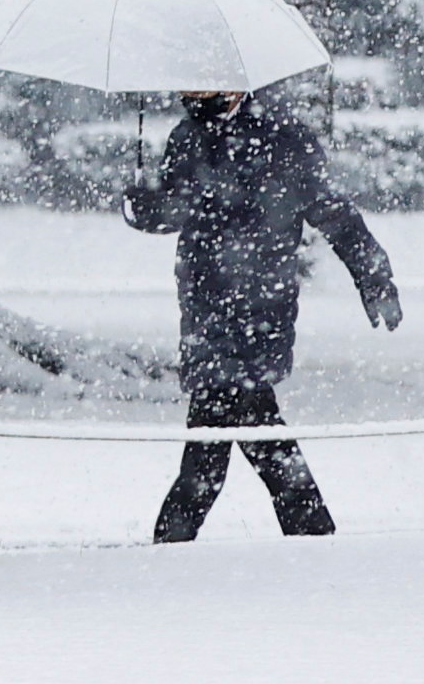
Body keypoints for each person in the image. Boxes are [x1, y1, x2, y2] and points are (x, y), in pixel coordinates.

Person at [122, 85, 402, 540]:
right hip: (203, 308)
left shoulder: (284, 138)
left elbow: (332, 211)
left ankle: (174, 543)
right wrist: (145, 206)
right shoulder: (187, 137)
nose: (190, 94)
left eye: (203, 84)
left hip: (261, 307)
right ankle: (309, 535)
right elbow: (178, 209)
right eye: (186, 86)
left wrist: (372, 276)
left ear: (234, 84)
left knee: (220, 433)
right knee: (243, 431)